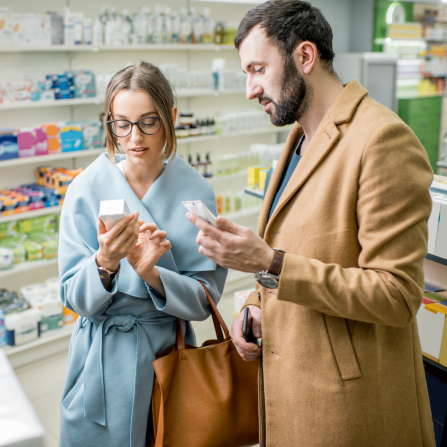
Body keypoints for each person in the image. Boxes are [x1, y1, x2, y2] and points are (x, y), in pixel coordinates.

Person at [186, 1, 436, 446]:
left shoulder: (383, 141)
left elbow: (397, 295)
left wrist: (271, 263)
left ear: (304, 57)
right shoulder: (298, 138)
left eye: (258, 70)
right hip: (289, 390)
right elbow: (298, 252)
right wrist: (254, 307)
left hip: (347, 409)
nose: (250, 89)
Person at [58, 61, 227, 447]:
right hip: (100, 361)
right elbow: (72, 295)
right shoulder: (85, 188)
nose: (134, 137)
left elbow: (204, 300)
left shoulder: (196, 191)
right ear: (109, 123)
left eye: (148, 122)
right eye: (122, 123)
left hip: (167, 358)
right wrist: (105, 264)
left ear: (171, 118)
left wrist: (154, 275)